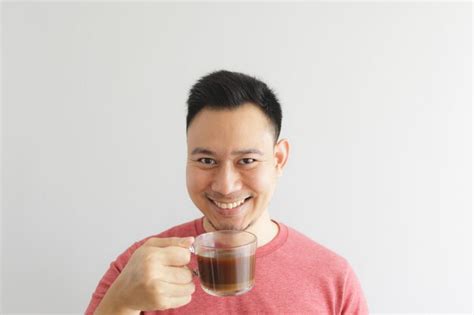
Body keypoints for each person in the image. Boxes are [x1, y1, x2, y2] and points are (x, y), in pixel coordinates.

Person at [86, 70, 369, 314]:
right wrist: (120, 303)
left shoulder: (334, 279)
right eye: (207, 161)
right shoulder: (138, 268)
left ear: (279, 159)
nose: (225, 185)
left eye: (246, 161)